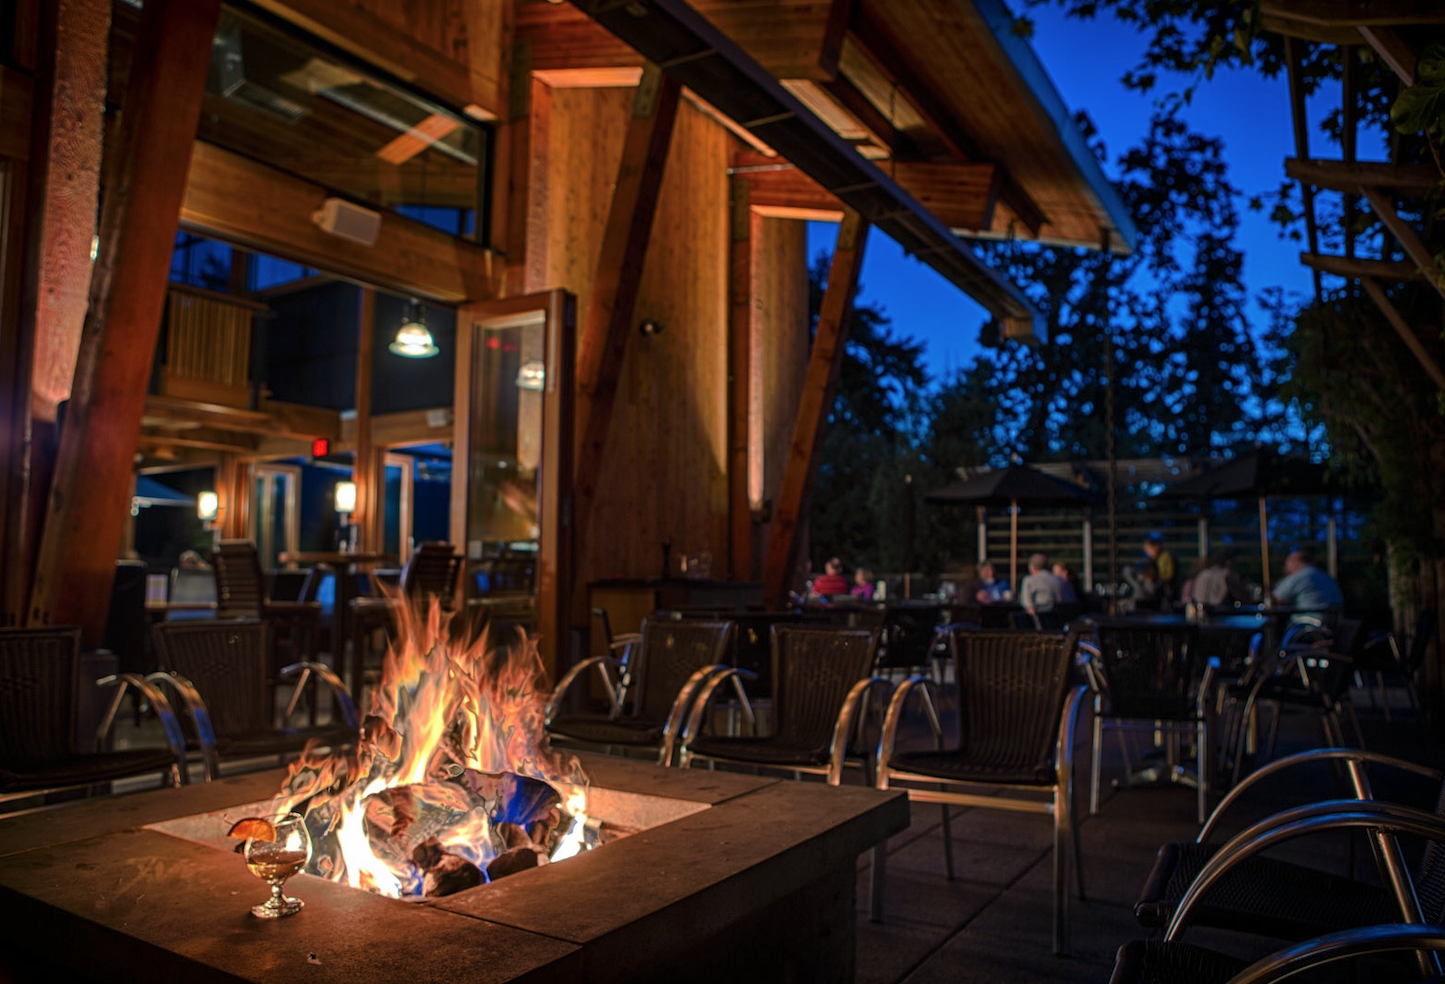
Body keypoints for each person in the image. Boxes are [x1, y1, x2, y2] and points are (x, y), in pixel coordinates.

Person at [1272, 547, 1343, 620]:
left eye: (1287, 563)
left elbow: (1276, 599)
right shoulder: (1327, 577)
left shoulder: (1297, 577)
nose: (1285, 567)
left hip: (1306, 623)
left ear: (1296, 562)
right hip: (1331, 623)